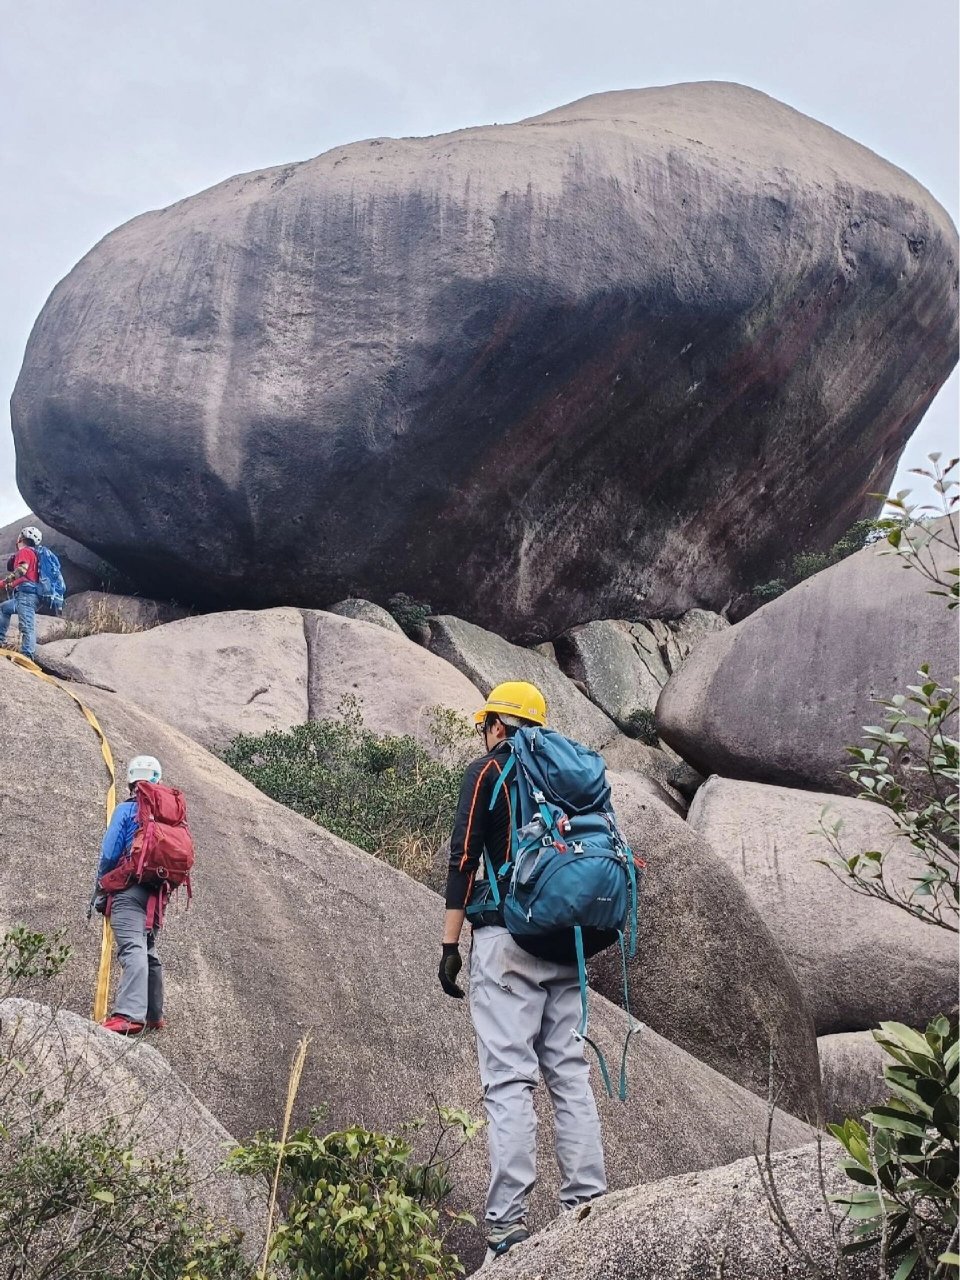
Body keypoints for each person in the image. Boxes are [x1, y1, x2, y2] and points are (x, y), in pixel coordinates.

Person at [439, 681, 606, 1266]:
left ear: (495, 725)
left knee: (510, 1082)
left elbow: (463, 860)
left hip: (506, 940)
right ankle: (587, 1206)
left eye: (485, 724)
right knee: (568, 1074)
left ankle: (507, 1233)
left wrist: (449, 944)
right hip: (567, 941)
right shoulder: (568, 775)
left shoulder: (489, 771)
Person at [97, 755, 168, 1035]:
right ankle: (153, 1013)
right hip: (156, 893)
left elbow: (110, 853)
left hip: (127, 889)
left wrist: (101, 884)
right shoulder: (165, 815)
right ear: (157, 781)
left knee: (132, 948)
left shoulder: (127, 810)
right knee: (147, 947)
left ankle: (129, 1015)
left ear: (130, 780)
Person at [0, 526, 43, 661]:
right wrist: (13, 584)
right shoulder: (34, 554)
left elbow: (22, 570)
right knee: (3, 608)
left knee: (27, 626)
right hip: (24, 595)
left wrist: (5, 581)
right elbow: (29, 576)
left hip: (27, 596)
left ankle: (27, 657)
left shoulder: (25, 551)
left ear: (21, 538)